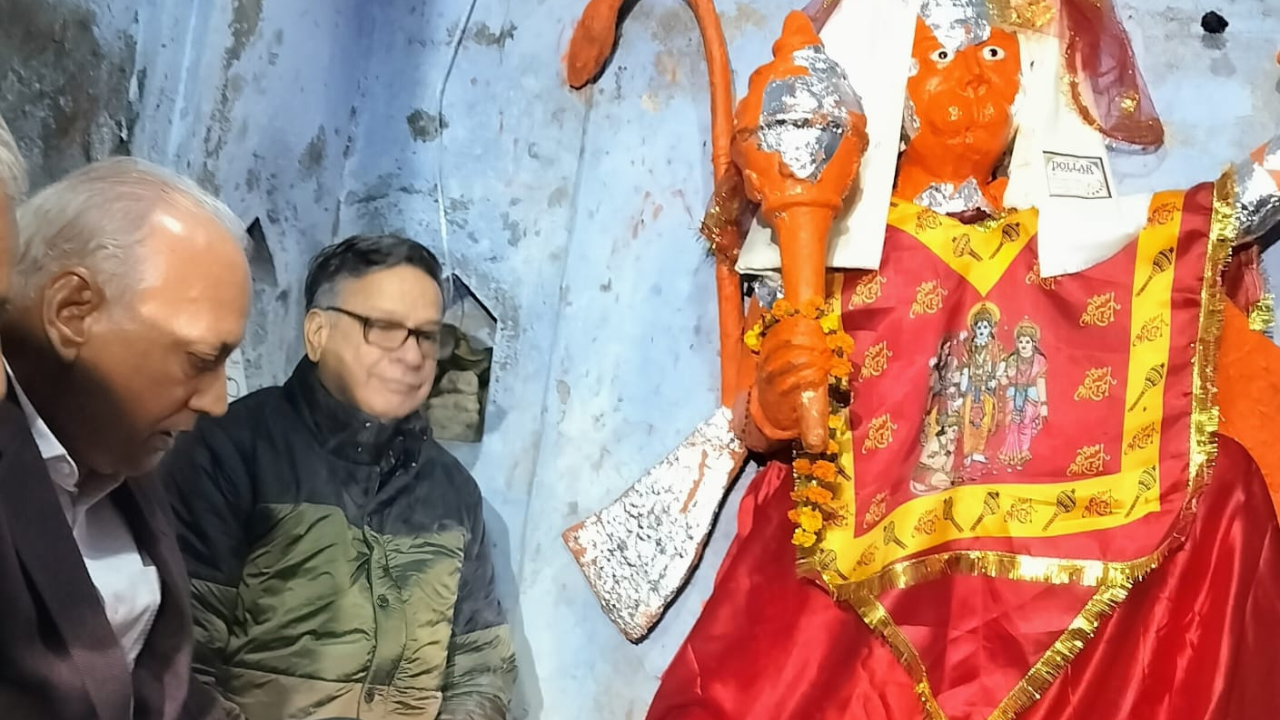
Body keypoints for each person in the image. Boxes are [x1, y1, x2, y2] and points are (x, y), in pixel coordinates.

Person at [163, 233, 516, 719]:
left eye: (427, 335)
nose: (412, 356)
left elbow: (481, 668)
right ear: (317, 333)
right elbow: (180, 665)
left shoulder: (452, 494)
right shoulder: (230, 452)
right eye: (384, 327)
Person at [0, 153, 252, 719]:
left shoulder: (113, 444)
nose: (217, 402)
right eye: (199, 359)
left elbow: (153, 684)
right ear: (71, 312)